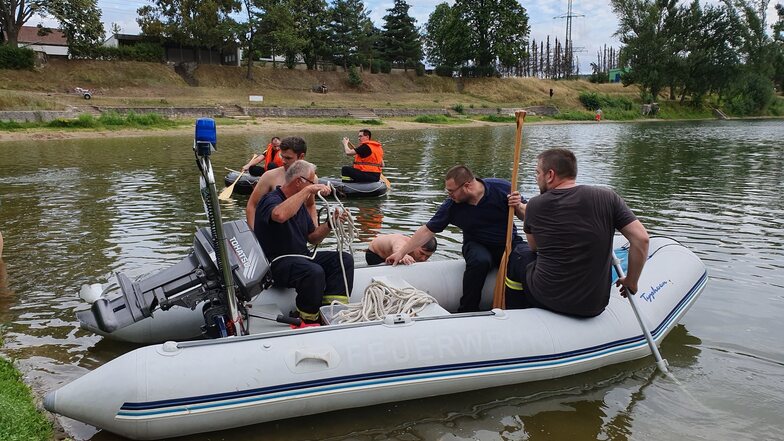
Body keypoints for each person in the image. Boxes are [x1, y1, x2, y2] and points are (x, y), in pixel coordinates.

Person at [505, 148, 650, 317]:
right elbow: (641, 239)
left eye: (538, 173)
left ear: (550, 175)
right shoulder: (608, 197)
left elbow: (535, 247)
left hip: (549, 298)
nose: (537, 179)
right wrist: (631, 282)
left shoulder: (535, 205)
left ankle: (515, 313)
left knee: (519, 255)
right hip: (595, 304)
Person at [386, 165, 526, 312]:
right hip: (476, 243)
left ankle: (523, 304)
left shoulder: (502, 188)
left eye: (451, 191)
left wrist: (519, 206)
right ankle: (468, 309)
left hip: (507, 242)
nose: (449, 195)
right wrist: (401, 252)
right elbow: (428, 230)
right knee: (480, 261)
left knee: (525, 257)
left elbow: (527, 217)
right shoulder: (452, 206)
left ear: (467, 186)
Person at [254, 160, 354, 323]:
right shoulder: (270, 200)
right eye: (311, 182)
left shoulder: (299, 205)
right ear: (299, 181)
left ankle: (333, 313)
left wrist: (331, 224)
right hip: (276, 264)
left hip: (302, 257)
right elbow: (279, 215)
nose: (315, 186)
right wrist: (308, 190)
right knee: (313, 271)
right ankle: (307, 318)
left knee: (344, 259)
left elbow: (313, 237)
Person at [246, 136, 321, 230]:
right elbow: (252, 205)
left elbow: (310, 205)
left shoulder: (312, 178)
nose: (283, 161)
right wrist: (253, 235)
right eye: (282, 156)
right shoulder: (269, 176)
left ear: (301, 156)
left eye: (288, 158)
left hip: (296, 234)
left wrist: (315, 229)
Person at [365, 234, 437, 266]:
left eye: (427, 256)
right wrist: (404, 255)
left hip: (389, 257)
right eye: (421, 253)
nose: (423, 258)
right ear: (416, 244)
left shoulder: (420, 253)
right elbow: (398, 247)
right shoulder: (402, 242)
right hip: (374, 255)